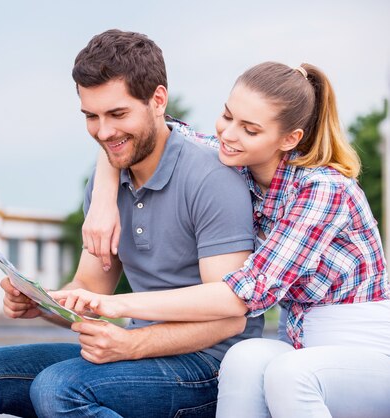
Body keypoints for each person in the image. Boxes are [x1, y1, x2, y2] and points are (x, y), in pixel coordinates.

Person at [0, 29, 264, 418]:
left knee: (59, 390)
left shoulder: (210, 177)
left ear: (157, 100)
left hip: (209, 368)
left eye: (118, 114)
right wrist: (45, 302)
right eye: (91, 116)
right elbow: (90, 289)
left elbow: (229, 318)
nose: (103, 132)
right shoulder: (105, 185)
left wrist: (130, 344)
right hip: (137, 349)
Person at [54, 61, 390, 417]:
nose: (229, 134)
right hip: (300, 343)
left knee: (290, 375)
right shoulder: (236, 160)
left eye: (250, 128)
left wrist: (118, 305)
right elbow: (135, 136)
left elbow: (246, 292)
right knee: (243, 358)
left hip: (365, 355)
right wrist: (104, 200)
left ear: (290, 139)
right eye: (227, 116)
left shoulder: (324, 190)